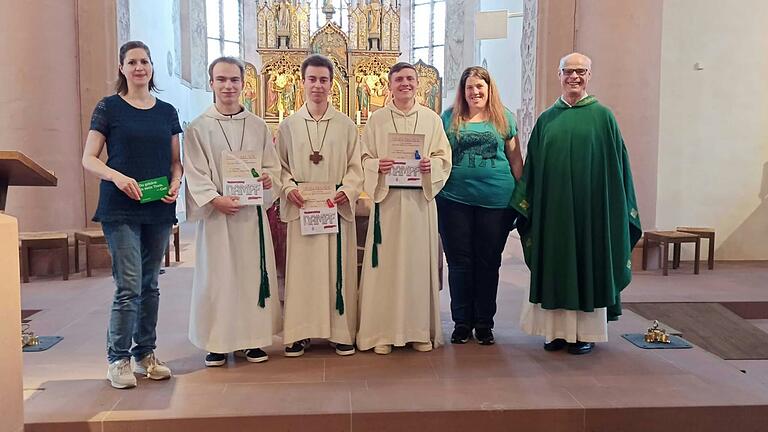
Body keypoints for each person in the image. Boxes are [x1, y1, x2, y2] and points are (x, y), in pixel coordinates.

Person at [511, 53, 642, 355]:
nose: (574, 77)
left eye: (581, 71)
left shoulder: (603, 117)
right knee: (556, 264)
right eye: (568, 71)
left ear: (589, 75)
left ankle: (584, 333)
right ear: (559, 75)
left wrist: (616, 209)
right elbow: (532, 170)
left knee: (586, 263)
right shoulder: (546, 119)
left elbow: (618, 169)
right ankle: (554, 332)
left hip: (590, 214)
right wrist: (523, 206)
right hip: (553, 213)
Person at [81, 41, 182, 389]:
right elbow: (89, 158)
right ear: (122, 68)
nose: (139, 67)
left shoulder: (167, 111)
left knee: (150, 284)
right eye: (132, 62)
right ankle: (118, 359)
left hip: (157, 205)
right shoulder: (108, 107)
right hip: (120, 205)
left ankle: (145, 354)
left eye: (144, 61)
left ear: (152, 67)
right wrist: (117, 176)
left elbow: (175, 162)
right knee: (128, 285)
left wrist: (177, 182)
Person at [183, 57, 282, 367]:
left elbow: (272, 166)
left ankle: (251, 341)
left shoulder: (258, 125)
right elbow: (195, 171)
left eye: (234, 80)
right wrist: (214, 199)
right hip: (218, 218)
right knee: (218, 278)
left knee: (252, 277)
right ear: (211, 83)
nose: (228, 86)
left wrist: (267, 179)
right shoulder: (199, 128)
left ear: (243, 84)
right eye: (221, 80)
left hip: (250, 217)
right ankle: (217, 342)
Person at [357, 62, 452, 354]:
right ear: (389, 85)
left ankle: (418, 331)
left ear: (418, 84)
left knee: (416, 265)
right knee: (385, 265)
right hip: (387, 203)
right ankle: (383, 332)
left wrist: (430, 165)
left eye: (410, 79)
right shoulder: (376, 119)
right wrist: (377, 165)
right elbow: (363, 158)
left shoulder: (431, 119)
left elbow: (443, 158)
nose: (405, 84)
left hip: (418, 205)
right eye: (399, 79)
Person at [277, 54, 363, 357]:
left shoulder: (346, 125)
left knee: (336, 269)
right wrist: (288, 188)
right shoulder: (288, 126)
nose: (317, 85)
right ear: (302, 83)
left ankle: (340, 332)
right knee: (303, 273)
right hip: (304, 210)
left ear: (332, 84)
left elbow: (357, 166)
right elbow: (280, 167)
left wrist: (349, 190)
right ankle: (300, 333)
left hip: (334, 208)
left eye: (323, 80)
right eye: (311, 79)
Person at [437, 66, 523, 346]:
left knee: (488, 263)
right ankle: (462, 322)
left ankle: (484, 323)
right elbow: (438, 156)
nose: (475, 92)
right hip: (454, 200)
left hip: (496, 202)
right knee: (459, 262)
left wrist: (524, 197)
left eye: (480, 87)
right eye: (470, 87)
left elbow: (515, 161)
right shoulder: (448, 118)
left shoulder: (504, 118)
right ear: (462, 91)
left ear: (489, 89)